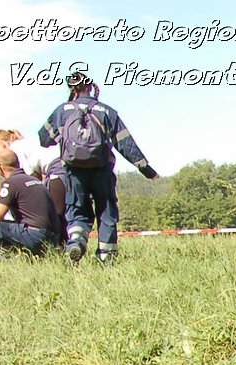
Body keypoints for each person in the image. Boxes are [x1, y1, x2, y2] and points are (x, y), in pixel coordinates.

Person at [37, 70, 157, 263]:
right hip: (102, 170)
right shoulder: (107, 111)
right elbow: (125, 143)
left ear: (72, 88)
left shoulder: (62, 110)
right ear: (91, 87)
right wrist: (144, 167)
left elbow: (43, 139)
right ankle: (106, 256)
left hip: (73, 171)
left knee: (78, 210)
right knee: (106, 210)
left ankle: (76, 241)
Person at [0, 128, 63, 220]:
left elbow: (28, 178)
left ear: (2, 142)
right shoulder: (23, 144)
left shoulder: (15, 149)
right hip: (60, 165)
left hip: (56, 169)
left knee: (57, 215)